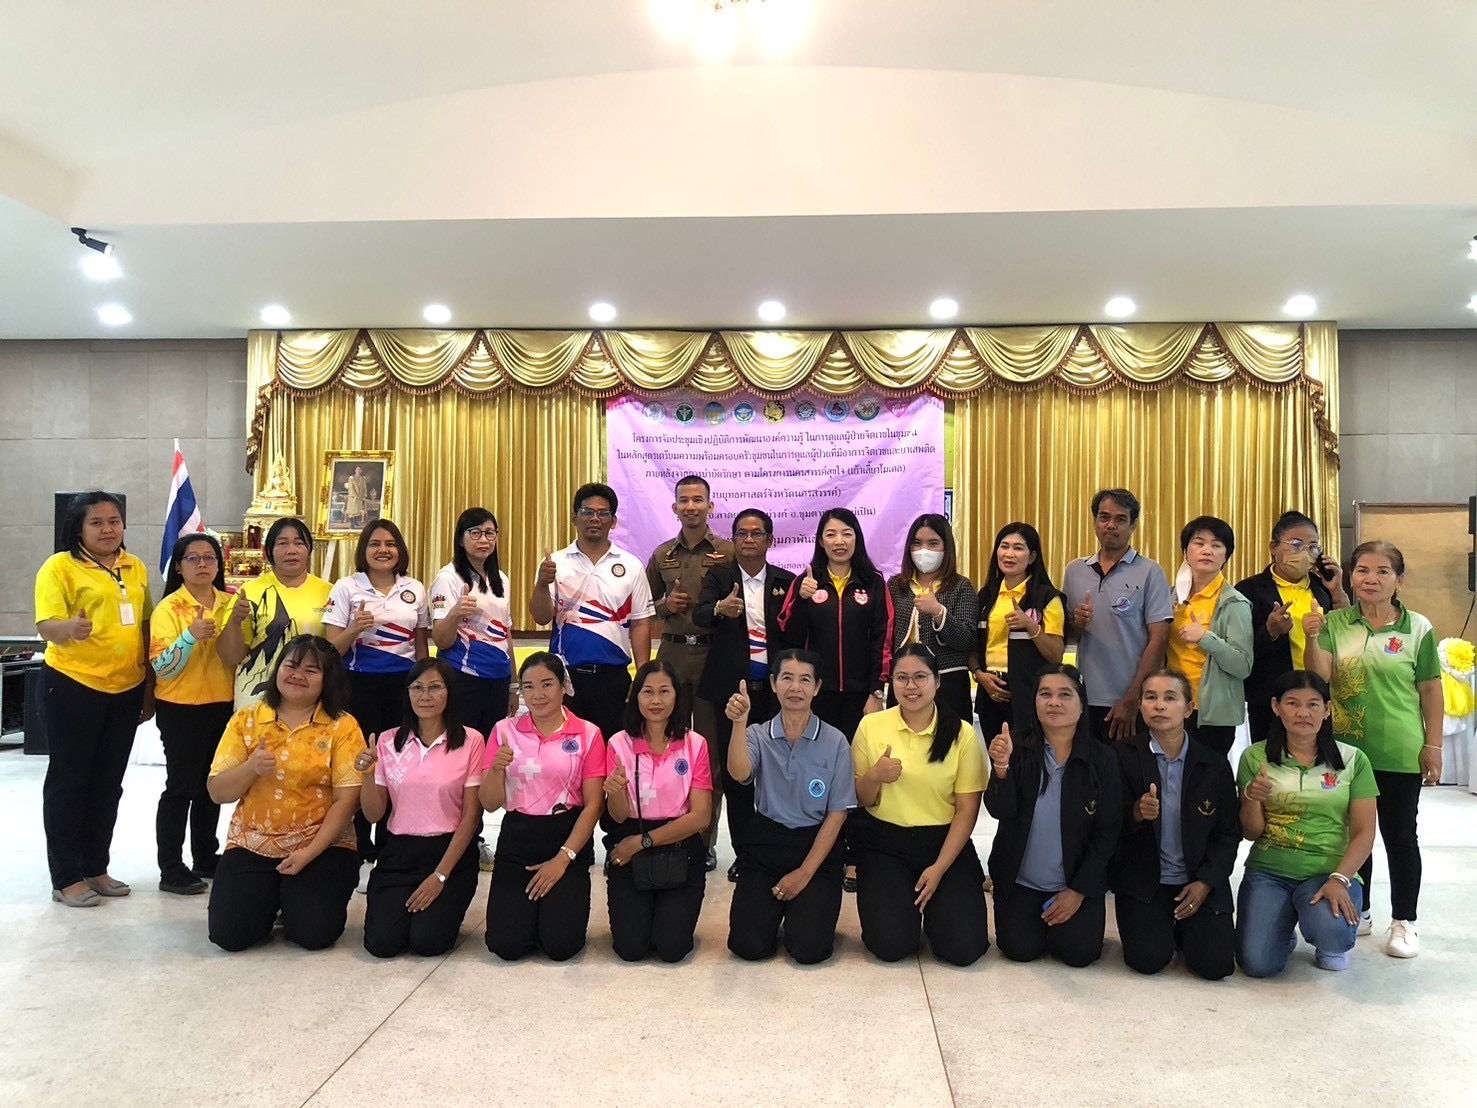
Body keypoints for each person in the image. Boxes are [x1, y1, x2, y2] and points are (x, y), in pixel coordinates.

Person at [1302, 541, 1441, 959]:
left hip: (1400, 749)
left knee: (1400, 836)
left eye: (1383, 571)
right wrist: (1311, 637)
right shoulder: (1335, 622)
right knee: (1352, 833)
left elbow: (1430, 690)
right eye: (1363, 570)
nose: (1371, 579)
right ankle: (1359, 909)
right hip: (1346, 751)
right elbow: (1320, 677)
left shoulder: (1418, 627)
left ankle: (1404, 921)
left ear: (1399, 579)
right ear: (1351, 576)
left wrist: (1433, 744)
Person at [34, 491, 155, 907]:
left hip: (125, 689)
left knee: (107, 784)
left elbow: (144, 626)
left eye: (114, 521)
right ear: (79, 528)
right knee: (69, 783)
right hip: (73, 685)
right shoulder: (59, 567)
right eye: (97, 522)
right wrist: (69, 628)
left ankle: (96, 868)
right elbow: (46, 626)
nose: (108, 529)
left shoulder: (134, 566)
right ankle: (66, 877)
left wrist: (148, 686)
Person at [205, 636, 363, 951]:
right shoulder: (247, 719)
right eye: (291, 666)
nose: (297, 675)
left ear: (327, 679)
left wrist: (308, 853)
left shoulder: (343, 726)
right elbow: (217, 792)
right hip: (253, 842)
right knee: (229, 936)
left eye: (311, 670)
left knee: (313, 934)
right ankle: (274, 898)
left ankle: (292, 899)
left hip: (321, 844)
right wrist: (251, 768)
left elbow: (346, 802)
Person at [851, 644, 989, 966]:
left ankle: (938, 912)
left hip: (944, 842)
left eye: (920, 677)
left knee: (963, 949)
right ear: (892, 682)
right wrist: (874, 776)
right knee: (891, 946)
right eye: (901, 678)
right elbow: (862, 799)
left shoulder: (962, 733)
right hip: (885, 844)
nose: (910, 686)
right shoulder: (871, 726)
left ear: (936, 681)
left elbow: (967, 811)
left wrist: (939, 869)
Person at [1235, 671, 1377, 977]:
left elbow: (1365, 832)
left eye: (1313, 704)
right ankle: (1282, 930)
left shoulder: (1353, 759)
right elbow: (1251, 832)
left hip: (1328, 871)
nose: (1303, 713)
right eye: (1292, 703)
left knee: (1331, 931)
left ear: (1327, 710)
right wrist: (1251, 797)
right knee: (1257, 964)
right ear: (1276, 707)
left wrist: (1339, 879)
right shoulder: (1255, 757)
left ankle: (1329, 941)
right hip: (1269, 870)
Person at [983, 665, 1122, 966]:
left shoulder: (1103, 759)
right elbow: (999, 810)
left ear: (1082, 704)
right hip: (1021, 882)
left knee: (1080, 954)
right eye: (1045, 694)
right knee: (1019, 950)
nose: (1054, 702)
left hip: (1073, 883)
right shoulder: (1016, 747)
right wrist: (1001, 768)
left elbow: (1108, 833)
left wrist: (1078, 891)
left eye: (1064, 694)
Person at [725, 649, 856, 964]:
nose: (795, 687)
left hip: (816, 845)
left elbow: (837, 814)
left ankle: (804, 908)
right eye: (787, 678)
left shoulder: (836, 741)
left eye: (805, 680)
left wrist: (804, 873)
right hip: (766, 843)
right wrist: (739, 724)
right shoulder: (758, 734)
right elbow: (739, 773)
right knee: (748, 946)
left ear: (817, 687)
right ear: (773, 683)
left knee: (809, 949)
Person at [1109, 671, 1239, 979]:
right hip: (1145, 880)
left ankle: (1186, 928)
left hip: (1197, 879)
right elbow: (1105, 824)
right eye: (1151, 697)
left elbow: (1228, 834)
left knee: (1215, 966)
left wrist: (1206, 881)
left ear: (1189, 708)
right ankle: (1166, 925)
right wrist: (1136, 813)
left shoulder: (1214, 764)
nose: (1159, 706)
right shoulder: (1120, 756)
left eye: (1170, 698)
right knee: (1147, 961)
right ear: (1140, 706)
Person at [693, 508, 796, 882]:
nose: (749, 539)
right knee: (737, 776)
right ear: (734, 539)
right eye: (742, 533)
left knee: (775, 773)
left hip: (775, 695)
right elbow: (700, 614)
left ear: (770, 540)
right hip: (731, 695)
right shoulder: (719, 577)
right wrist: (720, 608)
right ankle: (744, 854)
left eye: (757, 533)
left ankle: (775, 849)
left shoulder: (786, 581)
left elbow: (797, 632)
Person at [481, 652, 605, 961]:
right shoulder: (504, 731)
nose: (538, 694)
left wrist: (563, 859)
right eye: (529, 686)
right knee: (506, 946)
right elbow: (490, 803)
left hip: (566, 837)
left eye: (547, 684)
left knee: (561, 946)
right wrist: (496, 770)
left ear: (564, 686)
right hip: (518, 837)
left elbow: (593, 805)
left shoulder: (588, 733)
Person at [356, 659, 485, 958]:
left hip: (449, 852)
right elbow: (374, 814)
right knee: (381, 944)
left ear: (450, 692)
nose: (425, 696)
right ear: (408, 693)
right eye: (417, 688)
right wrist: (367, 774)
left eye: (435, 687)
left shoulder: (471, 740)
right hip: (398, 852)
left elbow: (471, 816)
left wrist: (440, 876)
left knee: (428, 942)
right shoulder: (388, 741)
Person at [323, 518, 430, 862]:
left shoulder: (415, 588)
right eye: (375, 544)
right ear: (364, 550)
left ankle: (388, 840)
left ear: (400, 550)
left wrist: (423, 688)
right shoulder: (345, 587)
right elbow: (331, 650)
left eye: (390, 544)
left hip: (403, 688)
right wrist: (354, 628)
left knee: (396, 761)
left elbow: (421, 647)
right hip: (358, 686)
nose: (383, 550)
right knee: (360, 760)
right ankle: (355, 840)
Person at [643, 474, 733, 873]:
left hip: (714, 656)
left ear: (710, 506)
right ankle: (666, 830)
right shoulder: (661, 554)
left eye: (699, 500)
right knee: (665, 746)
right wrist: (666, 605)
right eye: (684, 500)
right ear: (674, 507)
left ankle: (704, 840)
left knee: (709, 753)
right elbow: (643, 607)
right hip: (673, 655)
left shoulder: (728, 552)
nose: (691, 506)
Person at [602, 660, 713, 962]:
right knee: (630, 949)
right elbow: (619, 816)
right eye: (647, 691)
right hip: (630, 840)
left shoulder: (695, 744)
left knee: (671, 948)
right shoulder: (619, 743)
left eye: (664, 691)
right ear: (635, 696)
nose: (655, 700)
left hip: (678, 844)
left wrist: (643, 842)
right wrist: (615, 791)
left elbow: (700, 817)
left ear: (677, 696)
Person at [529, 483, 654, 741]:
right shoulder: (555, 563)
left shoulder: (631, 565)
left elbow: (641, 623)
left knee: (614, 749)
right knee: (567, 751)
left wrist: (642, 675)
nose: (595, 518)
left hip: (614, 677)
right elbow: (541, 617)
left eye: (603, 513)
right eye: (587, 512)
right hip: (566, 677)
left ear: (613, 520)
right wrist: (542, 583)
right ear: (574, 518)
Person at [148, 533, 236, 895]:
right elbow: (162, 667)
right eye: (193, 558)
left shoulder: (231, 603)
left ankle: (205, 856)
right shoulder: (169, 608)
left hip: (223, 704)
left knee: (210, 786)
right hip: (180, 707)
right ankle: (170, 867)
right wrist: (189, 636)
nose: (202, 564)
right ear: (179, 567)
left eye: (209, 558)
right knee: (181, 786)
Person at [1062, 489, 1174, 743]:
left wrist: (1133, 697)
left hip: (1132, 701)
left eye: (1120, 519)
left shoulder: (1151, 572)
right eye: (1104, 517)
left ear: (1133, 525)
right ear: (1095, 521)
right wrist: (1077, 625)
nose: (1110, 525)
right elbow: (1069, 639)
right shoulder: (1075, 571)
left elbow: (1159, 640)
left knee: (1129, 767)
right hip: (1085, 699)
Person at [776, 507, 893, 742]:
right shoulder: (805, 582)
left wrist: (876, 691)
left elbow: (883, 639)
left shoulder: (874, 583)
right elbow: (790, 635)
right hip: (815, 691)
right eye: (831, 534)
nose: (839, 541)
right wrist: (802, 599)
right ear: (821, 541)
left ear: (857, 538)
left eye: (846, 533)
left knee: (857, 757)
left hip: (860, 694)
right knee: (816, 756)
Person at [1233, 510, 1346, 743]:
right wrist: (1271, 632)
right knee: (1271, 757)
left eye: (1312, 547)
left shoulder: (1323, 588)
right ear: (1273, 547)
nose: (1305, 553)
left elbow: (1346, 632)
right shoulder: (1249, 589)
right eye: (1296, 545)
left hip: (1318, 694)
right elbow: (1239, 652)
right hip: (1270, 697)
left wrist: (1337, 591)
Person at [217, 516, 333, 709]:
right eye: (282, 543)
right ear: (269, 551)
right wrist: (235, 621)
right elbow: (231, 658)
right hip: (257, 697)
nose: (291, 550)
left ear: (309, 550)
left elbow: (334, 650)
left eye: (299, 543)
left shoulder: (330, 592)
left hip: (311, 696)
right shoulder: (250, 592)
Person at [969, 522, 1066, 742]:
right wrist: (979, 674)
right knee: (997, 756)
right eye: (1004, 546)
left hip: (1029, 695)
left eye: (1018, 548)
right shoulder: (986, 595)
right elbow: (972, 644)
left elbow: (1056, 654)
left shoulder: (1047, 598)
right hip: (990, 693)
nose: (1009, 554)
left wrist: (1031, 626)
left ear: (1032, 557)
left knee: (1027, 757)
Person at [1165, 516, 1253, 756]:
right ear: (1186, 552)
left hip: (1210, 714)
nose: (1207, 550)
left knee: (1206, 776)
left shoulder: (1234, 603)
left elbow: (1242, 665)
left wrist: (1205, 638)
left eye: (1216, 545)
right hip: (1172, 705)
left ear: (1226, 556)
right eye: (1199, 543)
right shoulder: (1171, 596)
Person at [430, 508, 516, 734]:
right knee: (461, 746)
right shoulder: (448, 578)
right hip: (463, 677)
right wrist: (455, 613)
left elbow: (505, 633)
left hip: (498, 678)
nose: (484, 540)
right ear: (461, 539)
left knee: (491, 746)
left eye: (490, 533)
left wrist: (513, 684)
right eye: (475, 533)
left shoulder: (502, 579)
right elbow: (441, 640)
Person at [885, 514, 978, 722]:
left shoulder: (961, 586)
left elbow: (967, 639)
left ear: (946, 548)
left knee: (948, 740)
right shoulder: (896, 586)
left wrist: (938, 612)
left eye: (933, 543)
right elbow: (885, 636)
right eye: (917, 543)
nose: (923, 550)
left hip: (948, 683)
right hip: (903, 682)